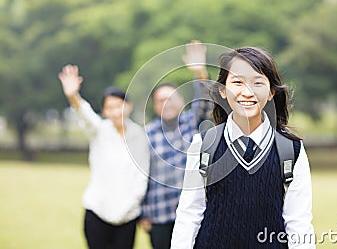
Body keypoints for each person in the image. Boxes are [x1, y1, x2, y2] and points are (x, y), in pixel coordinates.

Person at [171, 47, 315, 248]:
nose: (247, 92)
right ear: (223, 89)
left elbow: (298, 223)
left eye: (257, 83)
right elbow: (189, 214)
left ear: (272, 92)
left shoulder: (291, 149)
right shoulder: (204, 145)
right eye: (237, 82)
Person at [58, 65, 150, 249]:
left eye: (120, 106)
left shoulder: (140, 136)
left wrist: (131, 208)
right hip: (97, 212)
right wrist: (72, 96)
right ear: (104, 111)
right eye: (110, 108)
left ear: (129, 106)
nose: (116, 112)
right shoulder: (99, 131)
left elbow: (142, 176)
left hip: (128, 216)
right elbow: (85, 115)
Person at [139, 40, 212, 249]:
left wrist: (200, 73)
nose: (167, 102)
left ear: (181, 100)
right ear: (155, 105)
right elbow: (143, 174)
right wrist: (143, 213)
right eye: (161, 100)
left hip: (194, 212)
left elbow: (207, 101)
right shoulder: (148, 134)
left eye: (171, 98)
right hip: (159, 214)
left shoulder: (192, 121)